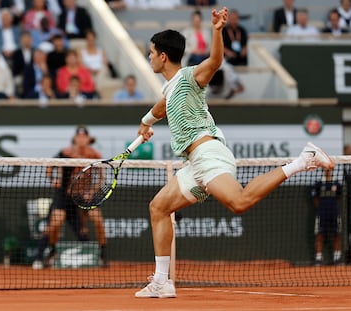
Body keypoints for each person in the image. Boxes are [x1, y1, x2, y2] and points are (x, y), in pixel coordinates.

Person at [134, 7, 334, 298]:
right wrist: (145, 122)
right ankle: (162, 282)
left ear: (163, 56)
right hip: (195, 163)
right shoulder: (171, 87)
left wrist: (216, 31)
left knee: (239, 202)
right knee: (159, 207)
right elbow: (161, 107)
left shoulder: (190, 76)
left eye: (151, 52)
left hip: (209, 155)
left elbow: (215, 61)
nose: (149, 57)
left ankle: (304, 160)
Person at [32, 125, 108, 269]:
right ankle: (52, 251)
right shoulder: (66, 153)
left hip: (84, 195)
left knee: (98, 220)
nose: (80, 139)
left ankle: (103, 255)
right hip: (65, 194)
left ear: (88, 139)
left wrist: (91, 192)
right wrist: (53, 179)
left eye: (83, 136)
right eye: (78, 137)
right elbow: (49, 167)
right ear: (74, 138)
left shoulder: (95, 155)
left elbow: (101, 179)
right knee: (55, 223)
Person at [311, 169, 342, 266]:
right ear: (323, 170)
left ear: (332, 170)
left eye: (330, 169)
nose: (328, 171)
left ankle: (337, 258)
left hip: (334, 213)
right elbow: (315, 198)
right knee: (320, 235)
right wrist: (321, 208)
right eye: (326, 169)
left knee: (336, 234)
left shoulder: (337, 183)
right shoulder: (319, 184)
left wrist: (332, 207)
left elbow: (338, 198)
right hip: (322, 214)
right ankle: (318, 258)